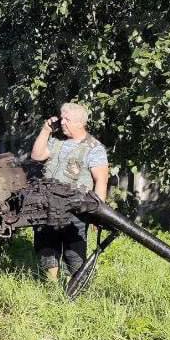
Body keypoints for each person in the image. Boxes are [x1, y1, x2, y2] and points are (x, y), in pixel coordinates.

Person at [29, 102, 109, 281]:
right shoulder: (56, 141)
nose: (62, 122)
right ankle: (51, 287)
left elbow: (101, 181)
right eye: (62, 118)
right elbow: (36, 156)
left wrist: (98, 213)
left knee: (74, 254)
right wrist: (46, 130)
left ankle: (74, 288)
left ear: (80, 123)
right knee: (46, 249)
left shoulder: (94, 148)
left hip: (76, 210)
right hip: (48, 205)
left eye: (67, 119)